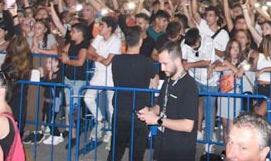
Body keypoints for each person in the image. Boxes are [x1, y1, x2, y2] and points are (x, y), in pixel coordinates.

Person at [137, 41, 199, 161]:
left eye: (165, 64)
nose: (162, 68)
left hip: (180, 150)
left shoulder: (189, 86)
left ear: (177, 60)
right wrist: (149, 110)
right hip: (162, 145)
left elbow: (188, 125)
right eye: (160, 64)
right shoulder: (168, 80)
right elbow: (160, 106)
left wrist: (157, 120)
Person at [110, 26, 158, 161]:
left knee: (116, 149)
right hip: (140, 111)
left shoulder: (116, 60)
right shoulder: (146, 61)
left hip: (120, 109)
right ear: (140, 42)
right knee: (137, 151)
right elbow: (154, 82)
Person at [85, 15, 121, 140]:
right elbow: (89, 53)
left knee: (111, 107)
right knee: (88, 98)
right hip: (98, 75)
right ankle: (101, 120)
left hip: (111, 77)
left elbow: (108, 62)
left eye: (102, 25)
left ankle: (111, 133)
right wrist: (98, 57)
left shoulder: (116, 41)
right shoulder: (99, 38)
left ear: (109, 28)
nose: (99, 27)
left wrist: (97, 57)